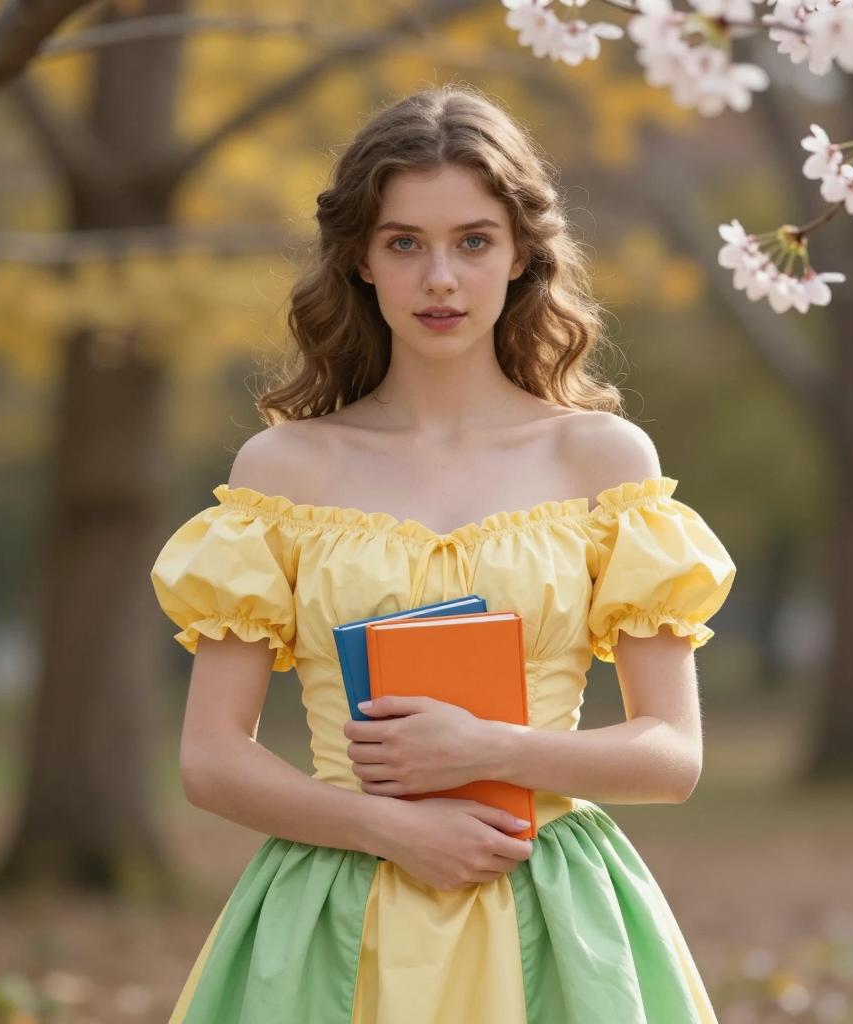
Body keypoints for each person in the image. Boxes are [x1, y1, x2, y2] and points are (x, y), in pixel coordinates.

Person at [150, 83, 737, 1024]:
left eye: (473, 241)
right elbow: (212, 758)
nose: (440, 280)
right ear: (360, 260)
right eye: (404, 243)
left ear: (520, 258)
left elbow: (671, 754)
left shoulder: (600, 461)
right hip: (332, 914)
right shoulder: (284, 470)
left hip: (554, 915)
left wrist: (489, 747)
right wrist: (386, 828)